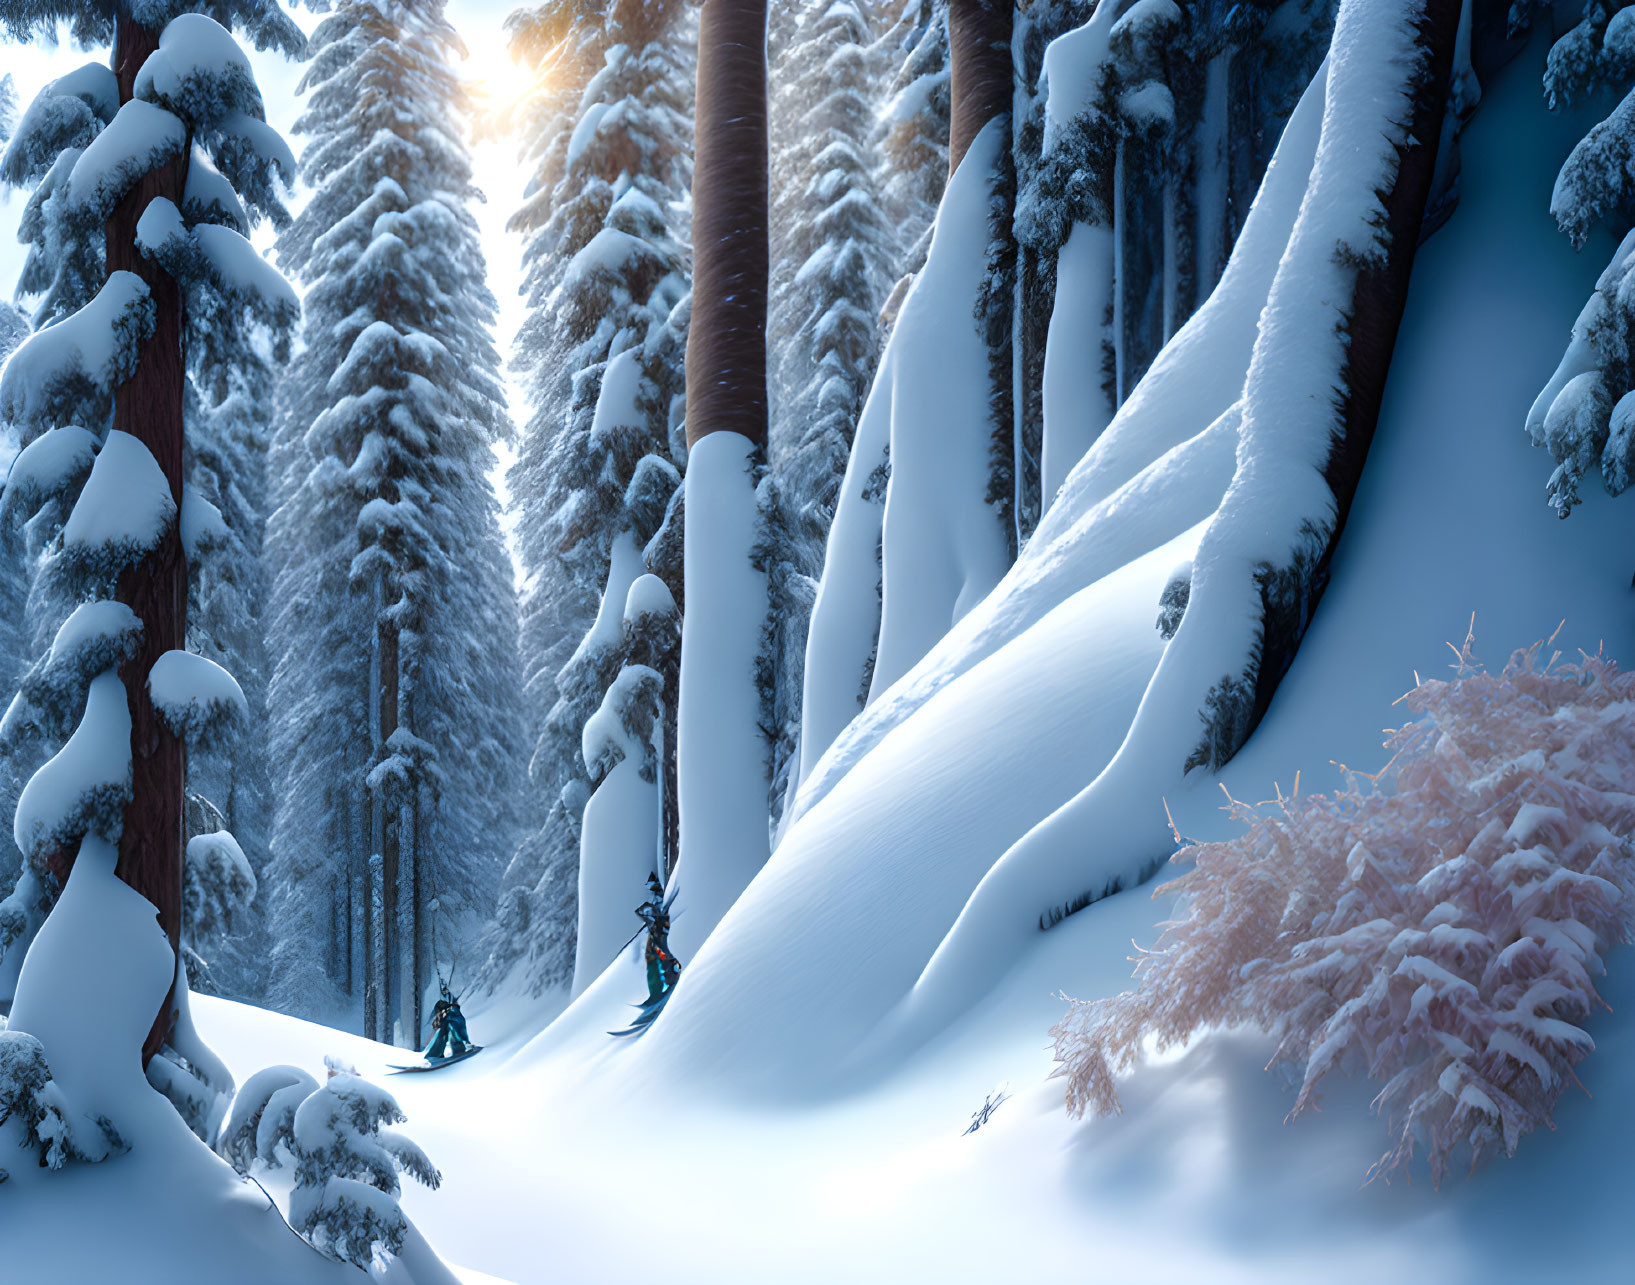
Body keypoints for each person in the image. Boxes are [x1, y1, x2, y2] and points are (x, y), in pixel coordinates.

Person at [636, 873, 680, 1003]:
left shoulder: (662, 901)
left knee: (660, 957)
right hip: (659, 938)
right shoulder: (656, 903)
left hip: (663, 937)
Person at [424, 984, 470, 1060]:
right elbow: (435, 1031)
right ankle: (436, 1054)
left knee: (448, 1027)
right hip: (454, 1044)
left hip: (459, 1043)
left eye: (441, 1013)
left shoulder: (453, 1014)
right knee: (445, 1028)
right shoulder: (444, 1018)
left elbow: (458, 1028)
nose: (441, 1015)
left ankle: (437, 1054)